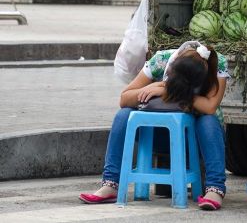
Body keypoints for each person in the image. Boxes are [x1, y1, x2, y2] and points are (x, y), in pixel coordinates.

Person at [79, 41, 230, 211]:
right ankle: (110, 184)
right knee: (123, 115)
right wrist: (154, 87)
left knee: (207, 121)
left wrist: (171, 92)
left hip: (196, 142)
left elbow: (210, 107)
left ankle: (215, 188)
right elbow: (124, 99)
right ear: (171, 68)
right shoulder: (160, 60)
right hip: (158, 137)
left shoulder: (215, 63)